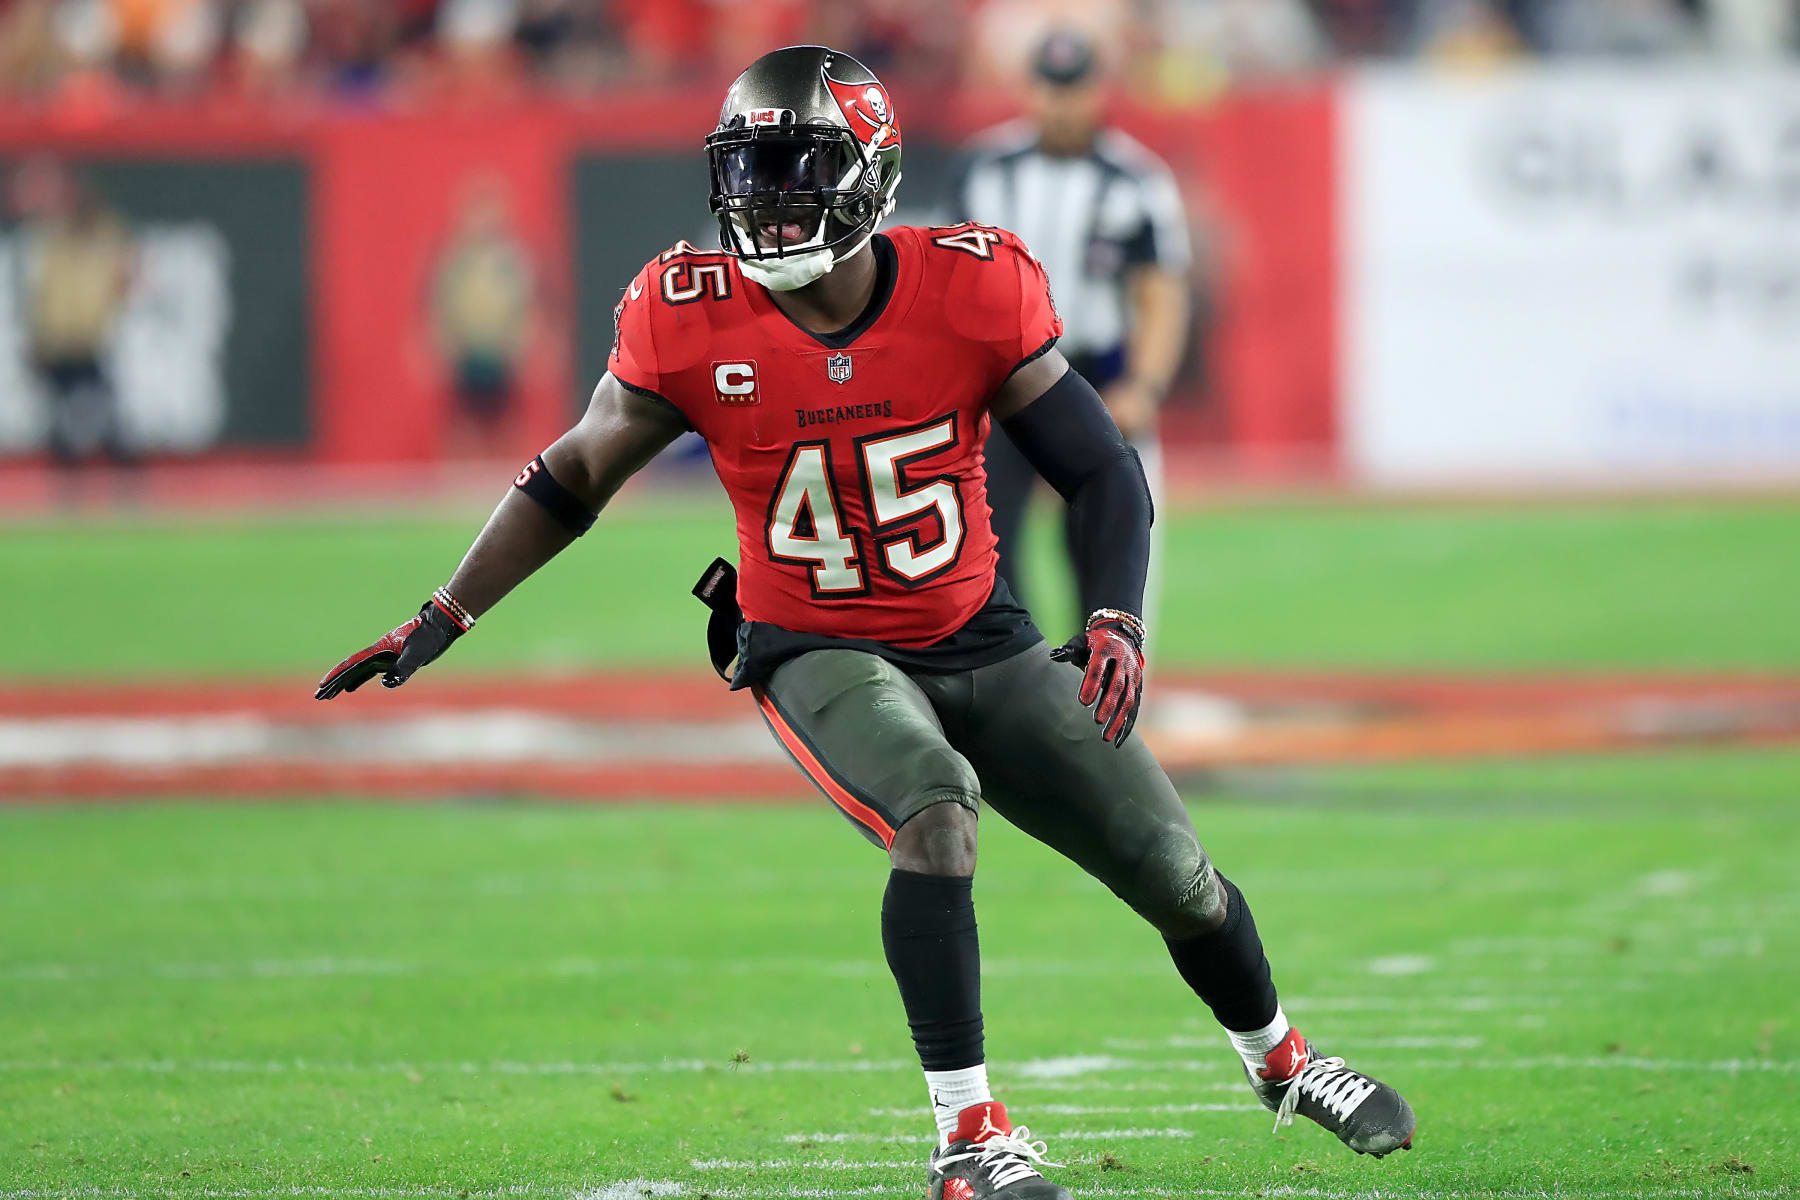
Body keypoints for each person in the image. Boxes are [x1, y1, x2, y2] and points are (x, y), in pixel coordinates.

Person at [316, 45, 1413, 1200]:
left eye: (797, 167)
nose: (768, 197)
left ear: (871, 171)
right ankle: (967, 1138)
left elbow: (1100, 469)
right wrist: (448, 609)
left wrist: (1115, 619)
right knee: (937, 811)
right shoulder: (688, 311)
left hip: (980, 634)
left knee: (1176, 870)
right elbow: (573, 474)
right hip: (815, 645)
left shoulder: (973, 287)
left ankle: (1283, 1063)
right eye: (749, 170)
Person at [953, 30, 1190, 635]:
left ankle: (1106, 685)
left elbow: (1160, 291)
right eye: (1050, 88)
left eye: (1073, 88)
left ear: (1097, 91)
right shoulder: (985, 169)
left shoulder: (1135, 179)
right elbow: (943, 282)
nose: (1061, 104)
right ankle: (1018, 680)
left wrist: (1144, 383)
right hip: (1001, 376)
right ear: (1029, 90)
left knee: (1106, 540)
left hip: (1096, 368)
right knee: (986, 542)